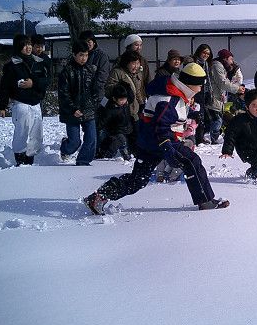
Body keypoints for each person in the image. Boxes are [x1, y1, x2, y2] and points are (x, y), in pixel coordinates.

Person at [83, 62, 229, 214]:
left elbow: (168, 116)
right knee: (192, 161)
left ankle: (99, 197)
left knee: (137, 180)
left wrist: (191, 114)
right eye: (200, 85)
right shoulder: (169, 99)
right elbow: (161, 125)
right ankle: (205, 201)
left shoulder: (173, 92)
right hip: (163, 142)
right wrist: (168, 149)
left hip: (149, 144)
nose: (200, 89)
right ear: (190, 84)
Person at [0, 34, 49, 166]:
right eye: (25, 45)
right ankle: (20, 160)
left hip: (36, 103)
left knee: (36, 134)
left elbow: (46, 81)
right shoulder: (11, 65)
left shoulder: (38, 62)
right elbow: (4, 87)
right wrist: (2, 106)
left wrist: (34, 83)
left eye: (30, 44)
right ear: (18, 47)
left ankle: (30, 160)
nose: (28, 47)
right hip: (21, 104)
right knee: (22, 132)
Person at [58, 40, 99, 166]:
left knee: (91, 138)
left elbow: (95, 89)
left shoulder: (90, 70)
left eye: (86, 55)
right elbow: (63, 94)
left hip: (88, 109)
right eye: (81, 55)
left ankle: (83, 161)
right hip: (71, 111)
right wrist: (73, 109)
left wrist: (95, 102)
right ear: (74, 54)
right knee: (74, 142)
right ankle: (65, 149)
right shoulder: (66, 72)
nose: (84, 58)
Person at [106, 50, 144, 153]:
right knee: (121, 134)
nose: (135, 66)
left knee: (136, 134)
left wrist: (142, 103)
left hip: (134, 110)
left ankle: (134, 153)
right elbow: (109, 88)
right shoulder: (118, 72)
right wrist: (121, 91)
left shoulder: (138, 74)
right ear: (126, 62)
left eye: (137, 63)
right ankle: (109, 151)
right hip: (121, 110)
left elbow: (138, 91)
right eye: (133, 63)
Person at [208, 49, 245, 144]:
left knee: (219, 117)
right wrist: (237, 88)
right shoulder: (217, 66)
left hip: (219, 97)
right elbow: (222, 83)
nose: (232, 61)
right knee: (217, 119)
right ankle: (214, 137)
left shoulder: (222, 66)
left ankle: (216, 136)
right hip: (214, 97)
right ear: (225, 58)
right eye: (230, 59)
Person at [96, 83, 133, 160]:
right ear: (114, 99)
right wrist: (97, 127)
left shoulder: (126, 103)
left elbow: (131, 97)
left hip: (125, 128)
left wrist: (128, 87)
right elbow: (103, 120)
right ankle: (106, 154)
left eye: (124, 99)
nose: (123, 101)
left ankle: (124, 154)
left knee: (123, 142)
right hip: (115, 130)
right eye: (121, 100)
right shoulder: (111, 109)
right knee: (121, 141)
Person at [80, 30, 110, 106]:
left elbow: (103, 77)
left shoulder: (101, 55)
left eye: (89, 41)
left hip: (98, 94)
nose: (87, 44)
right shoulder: (78, 56)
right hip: (81, 94)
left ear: (94, 42)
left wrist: (94, 92)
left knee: (99, 115)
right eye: (84, 42)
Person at [192, 44, 213, 145]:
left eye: (208, 53)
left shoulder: (206, 64)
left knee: (202, 116)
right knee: (195, 116)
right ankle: (196, 138)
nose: (206, 55)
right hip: (194, 93)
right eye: (204, 52)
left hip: (203, 92)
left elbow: (207, 81)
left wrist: (209, 92)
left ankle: (200, 137)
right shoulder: (193, 62)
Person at [123, 34, 151, 98]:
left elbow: (147, 79)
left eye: (140, 45)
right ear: (129, 45)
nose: (139, 48)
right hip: (125, 97)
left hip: (141, 97)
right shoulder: (121, 60)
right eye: (136, 45)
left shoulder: (143, 61)